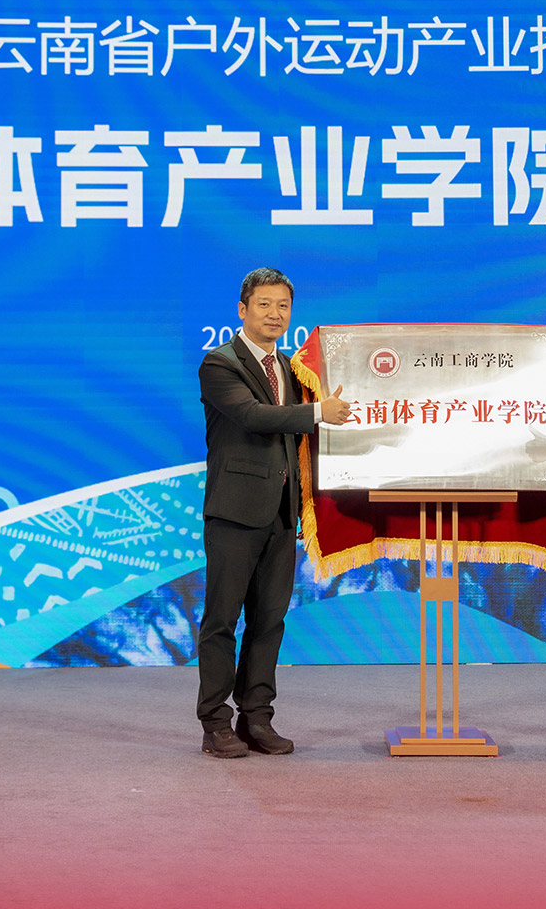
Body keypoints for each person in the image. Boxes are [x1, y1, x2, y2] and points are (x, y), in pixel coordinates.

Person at [195, 267, 351, 758]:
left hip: (282, 515)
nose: (275, 314)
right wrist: (319, 413)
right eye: (264, 304)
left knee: (269, 622)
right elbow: (252, 416)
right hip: (234, 513)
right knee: (222, 622)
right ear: (242, 310)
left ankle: (257, 719)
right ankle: (215, 723)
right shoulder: (219, 363)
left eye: (283, 306)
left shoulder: (290, 368)